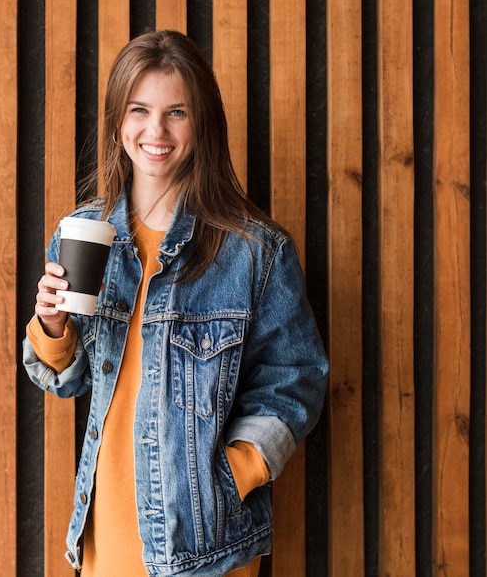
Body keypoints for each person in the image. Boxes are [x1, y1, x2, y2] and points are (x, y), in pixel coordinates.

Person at [23, 29, 329, 576]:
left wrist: (233, 473)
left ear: (202, 122)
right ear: (119, 122)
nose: (155, 131)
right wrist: (51, 326)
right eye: (139, 110)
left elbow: (297, 379)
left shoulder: (255, 251)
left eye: (177, 112)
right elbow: (68, 380)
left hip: (204, 545)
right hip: (105, 536)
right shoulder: (84, 233)